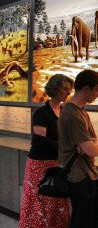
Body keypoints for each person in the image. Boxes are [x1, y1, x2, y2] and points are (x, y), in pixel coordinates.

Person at [19, 74, 74, 228]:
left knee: (56, 199)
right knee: (39, 201)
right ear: (55, 88)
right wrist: (66, 148)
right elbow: (40, 142)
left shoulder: (63, 111)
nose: (67, 92)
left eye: (69, 89)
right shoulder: (41, 113)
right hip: (40, 164)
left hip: (57, 163)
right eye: (64, 89)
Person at [58, 69, 98, 228]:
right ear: (86, 89)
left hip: (87, 174)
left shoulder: (79, 112)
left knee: (96, 218)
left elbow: (93, 144)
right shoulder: (72, 114)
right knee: (84, 221)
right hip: (80, 176)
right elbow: (92, 150)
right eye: (97, 90)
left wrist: (92, 144)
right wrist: (93, 145)